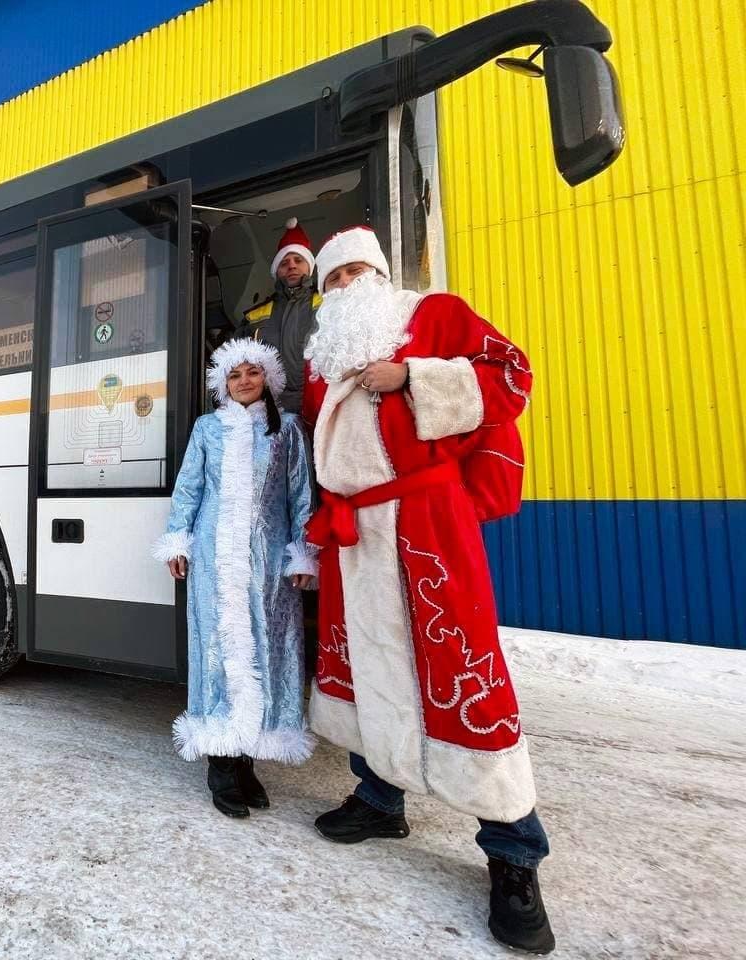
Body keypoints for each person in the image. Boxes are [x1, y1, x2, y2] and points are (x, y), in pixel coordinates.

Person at [299, 226, 555, 955]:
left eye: (356, 270)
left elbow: (512, 377)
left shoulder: (435, 315)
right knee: (369, 667)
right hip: (357, 533)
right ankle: (380, 798)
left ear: (380, 273)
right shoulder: (324, 359)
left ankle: (513, 853)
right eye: (333, 278)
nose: (346, 285)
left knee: (461, 669)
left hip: (426, 520)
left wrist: (414, 377)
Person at [153, 339, 318, 818]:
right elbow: (189, 487)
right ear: (222, 384)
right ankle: (221, 765)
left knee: (266, 650)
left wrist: (303, 554)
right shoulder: (207, 429)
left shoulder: (287, 430)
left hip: (267, 564)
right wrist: (177, 540)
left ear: (267, 378)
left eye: (252, 373)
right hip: (213, 559)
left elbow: (300, 496)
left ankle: (247, 758)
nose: (244, 381)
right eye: (234, 375)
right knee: (219, 650)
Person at [237, 216, 321, 413]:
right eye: (284, 262)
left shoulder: (330, 304)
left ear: (309, 266)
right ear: (276, 271)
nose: (291, 265)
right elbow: (234, 369)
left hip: (319, 406)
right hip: (269, 412)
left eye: (298, 260)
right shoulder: (253, 317)